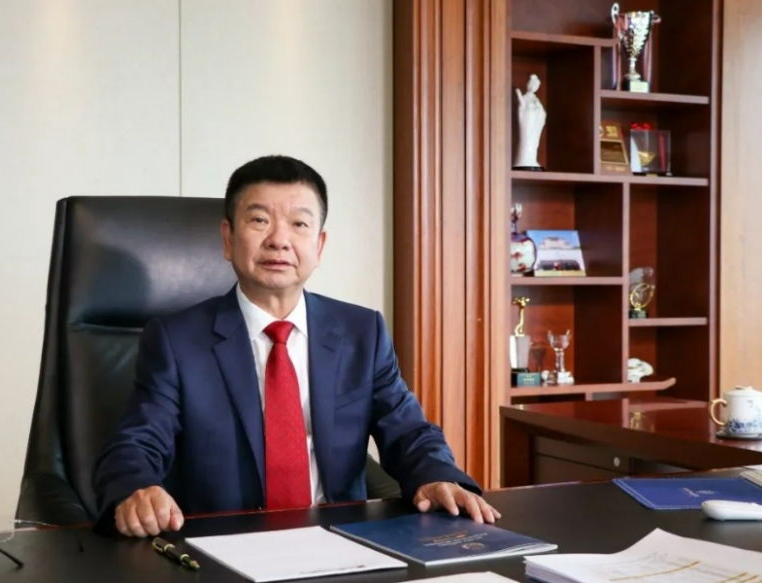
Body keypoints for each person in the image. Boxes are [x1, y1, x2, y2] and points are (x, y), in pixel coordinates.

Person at [91, 155, 500, 537]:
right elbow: (137, 442)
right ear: (228, 239)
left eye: (299, 224)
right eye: (259, 220)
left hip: (341, 543)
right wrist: (136, 489)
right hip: (225, 545)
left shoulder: (362, 332)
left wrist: (437, 475)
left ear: (319, 246)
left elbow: (408, 431)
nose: (279, 240)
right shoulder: (177, 341)